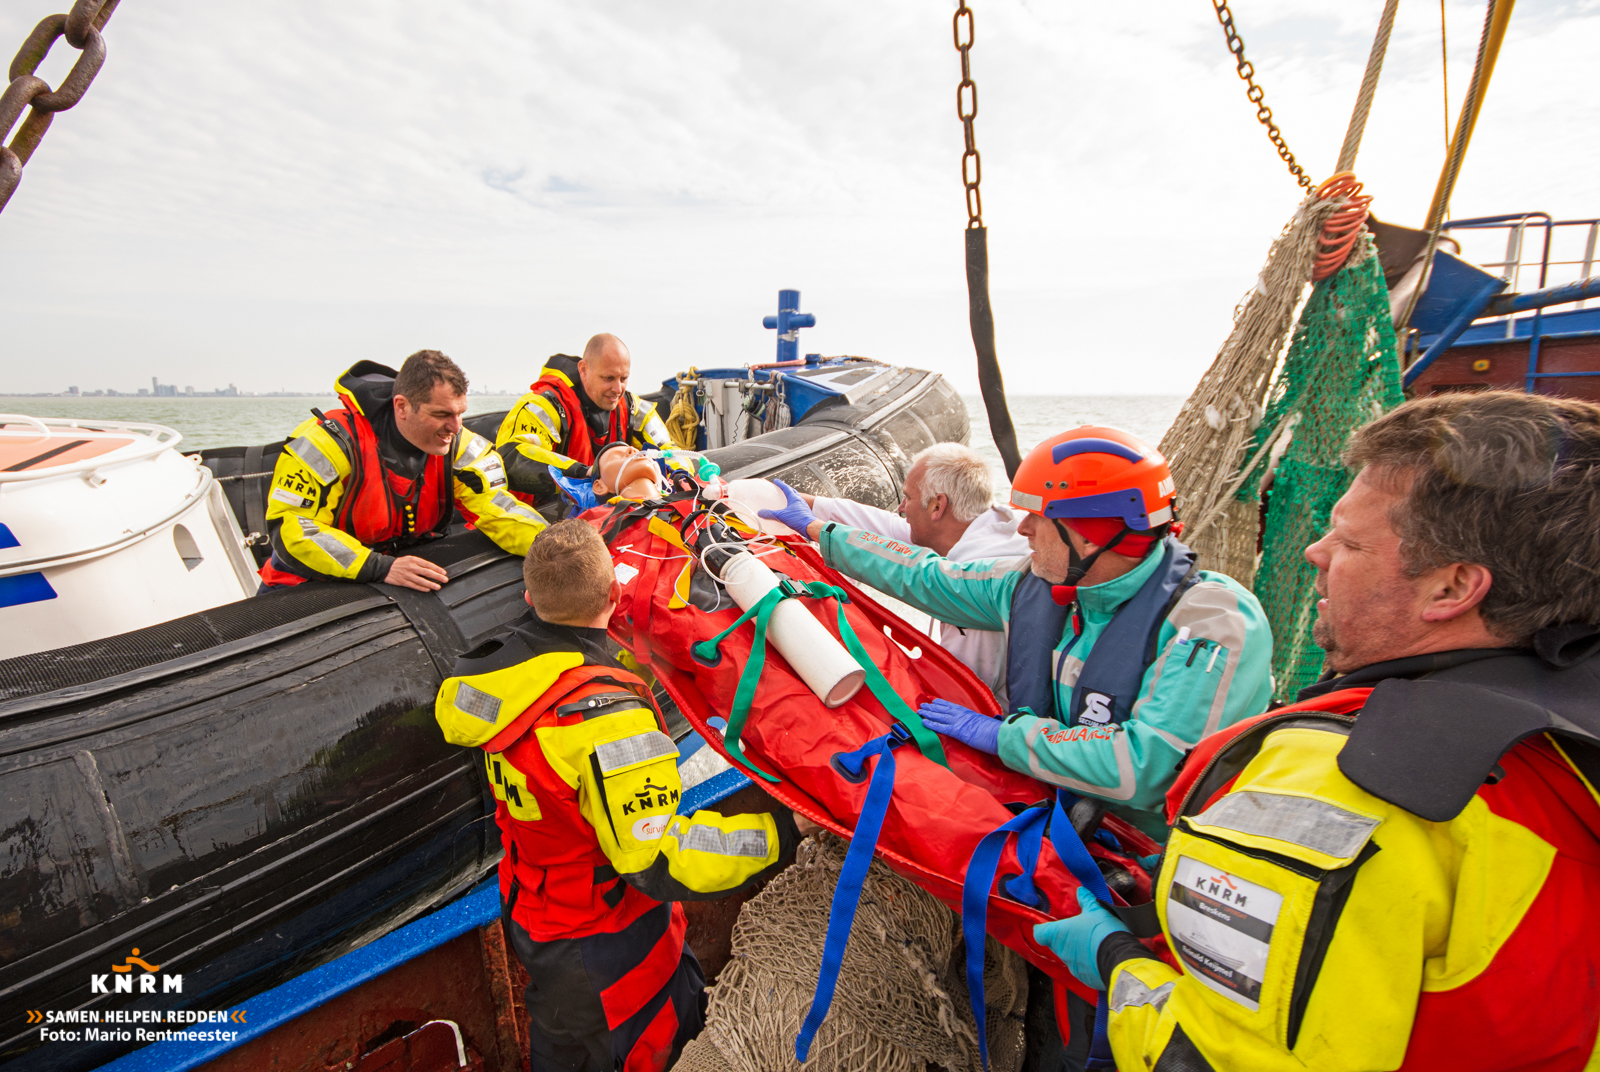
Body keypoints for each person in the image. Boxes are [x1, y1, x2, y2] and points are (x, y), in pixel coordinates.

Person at [1038, 391, 1600, 1071]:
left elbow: (1215, 1059)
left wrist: (1115, 960)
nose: (1315, 551)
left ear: (1452, 589)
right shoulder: (1564, 742)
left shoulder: (1347, 786)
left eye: (1350, 539)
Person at [761, 425, 1273, 843]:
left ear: (1093, 533)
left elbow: (1145, 768)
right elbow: (928, 575)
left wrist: (1002, 736)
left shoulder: (1212, 621)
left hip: (1162, 862)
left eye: (1038, 518)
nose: (1022, 530)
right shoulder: (1033, 585)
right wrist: (818, 531)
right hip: (1064, 831)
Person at [434, 519, 798, 1072]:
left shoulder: (482, 682)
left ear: (530, 597)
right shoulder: (611, 721)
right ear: (614, 594)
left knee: (560, 1046)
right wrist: (783, 832)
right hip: (611, 946)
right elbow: (657, 855)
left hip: (534, 917)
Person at [259, 352, 545, 592]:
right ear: (402, 407)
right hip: (304, 582)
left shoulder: (458, 444)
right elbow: (293, 528)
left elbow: (495, 504)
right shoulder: (328, 443)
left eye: (460, 413)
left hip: (393, 570)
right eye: (442, 414)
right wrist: (377, 567)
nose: (456, 427)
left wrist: (550, 544)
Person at [796, 442, 1028, 705]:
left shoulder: (973, 587)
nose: (901, 507)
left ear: (937, 506)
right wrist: (813, 507)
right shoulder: (997, 523)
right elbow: (889, 531)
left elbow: (962, 693)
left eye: (908, 498)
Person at [496, 334, 675, 510]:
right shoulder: (542, 406)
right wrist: (583, 472)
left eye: (623, 379)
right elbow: (513, 455)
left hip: (614, 509)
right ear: (583, 370)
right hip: (551, 511)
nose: (618, 389)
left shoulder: (634, 409)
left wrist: (679, 475)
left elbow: (672, 452)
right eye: (608, 378)